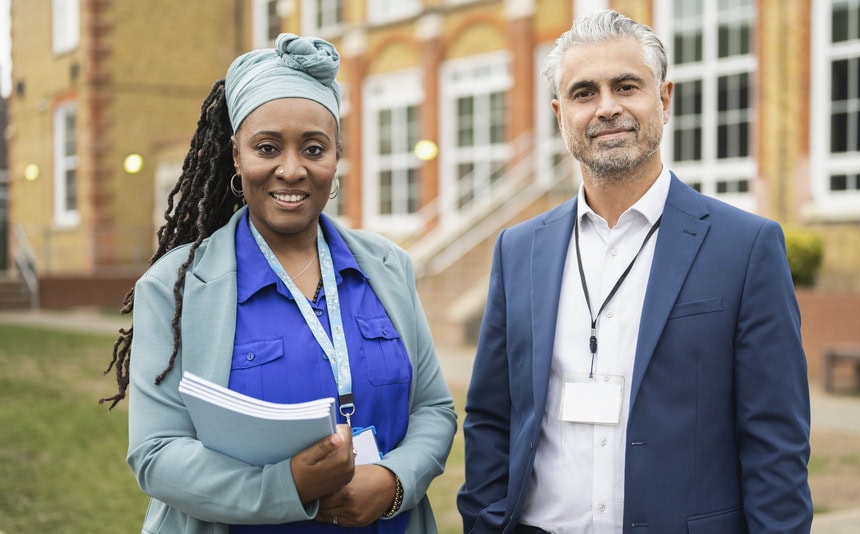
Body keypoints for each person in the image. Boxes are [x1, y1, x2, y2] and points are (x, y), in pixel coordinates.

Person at [457, 10, 812, 534]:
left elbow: (776, 444)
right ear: (560, 114)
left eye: (626, 86)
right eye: (583, 93)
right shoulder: (518, 249)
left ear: (663, 99)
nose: (607, 108)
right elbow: (491, 418)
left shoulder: (747, 247)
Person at [101, 33, 456, 533]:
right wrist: (287, 487)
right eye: (267, 147)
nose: (291, 170)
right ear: (236, 155)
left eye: (314, 148)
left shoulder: (387, 266)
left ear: (336, 156)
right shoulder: (175, 287)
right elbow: (157, 454)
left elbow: (433, 409)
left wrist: (394, 481)